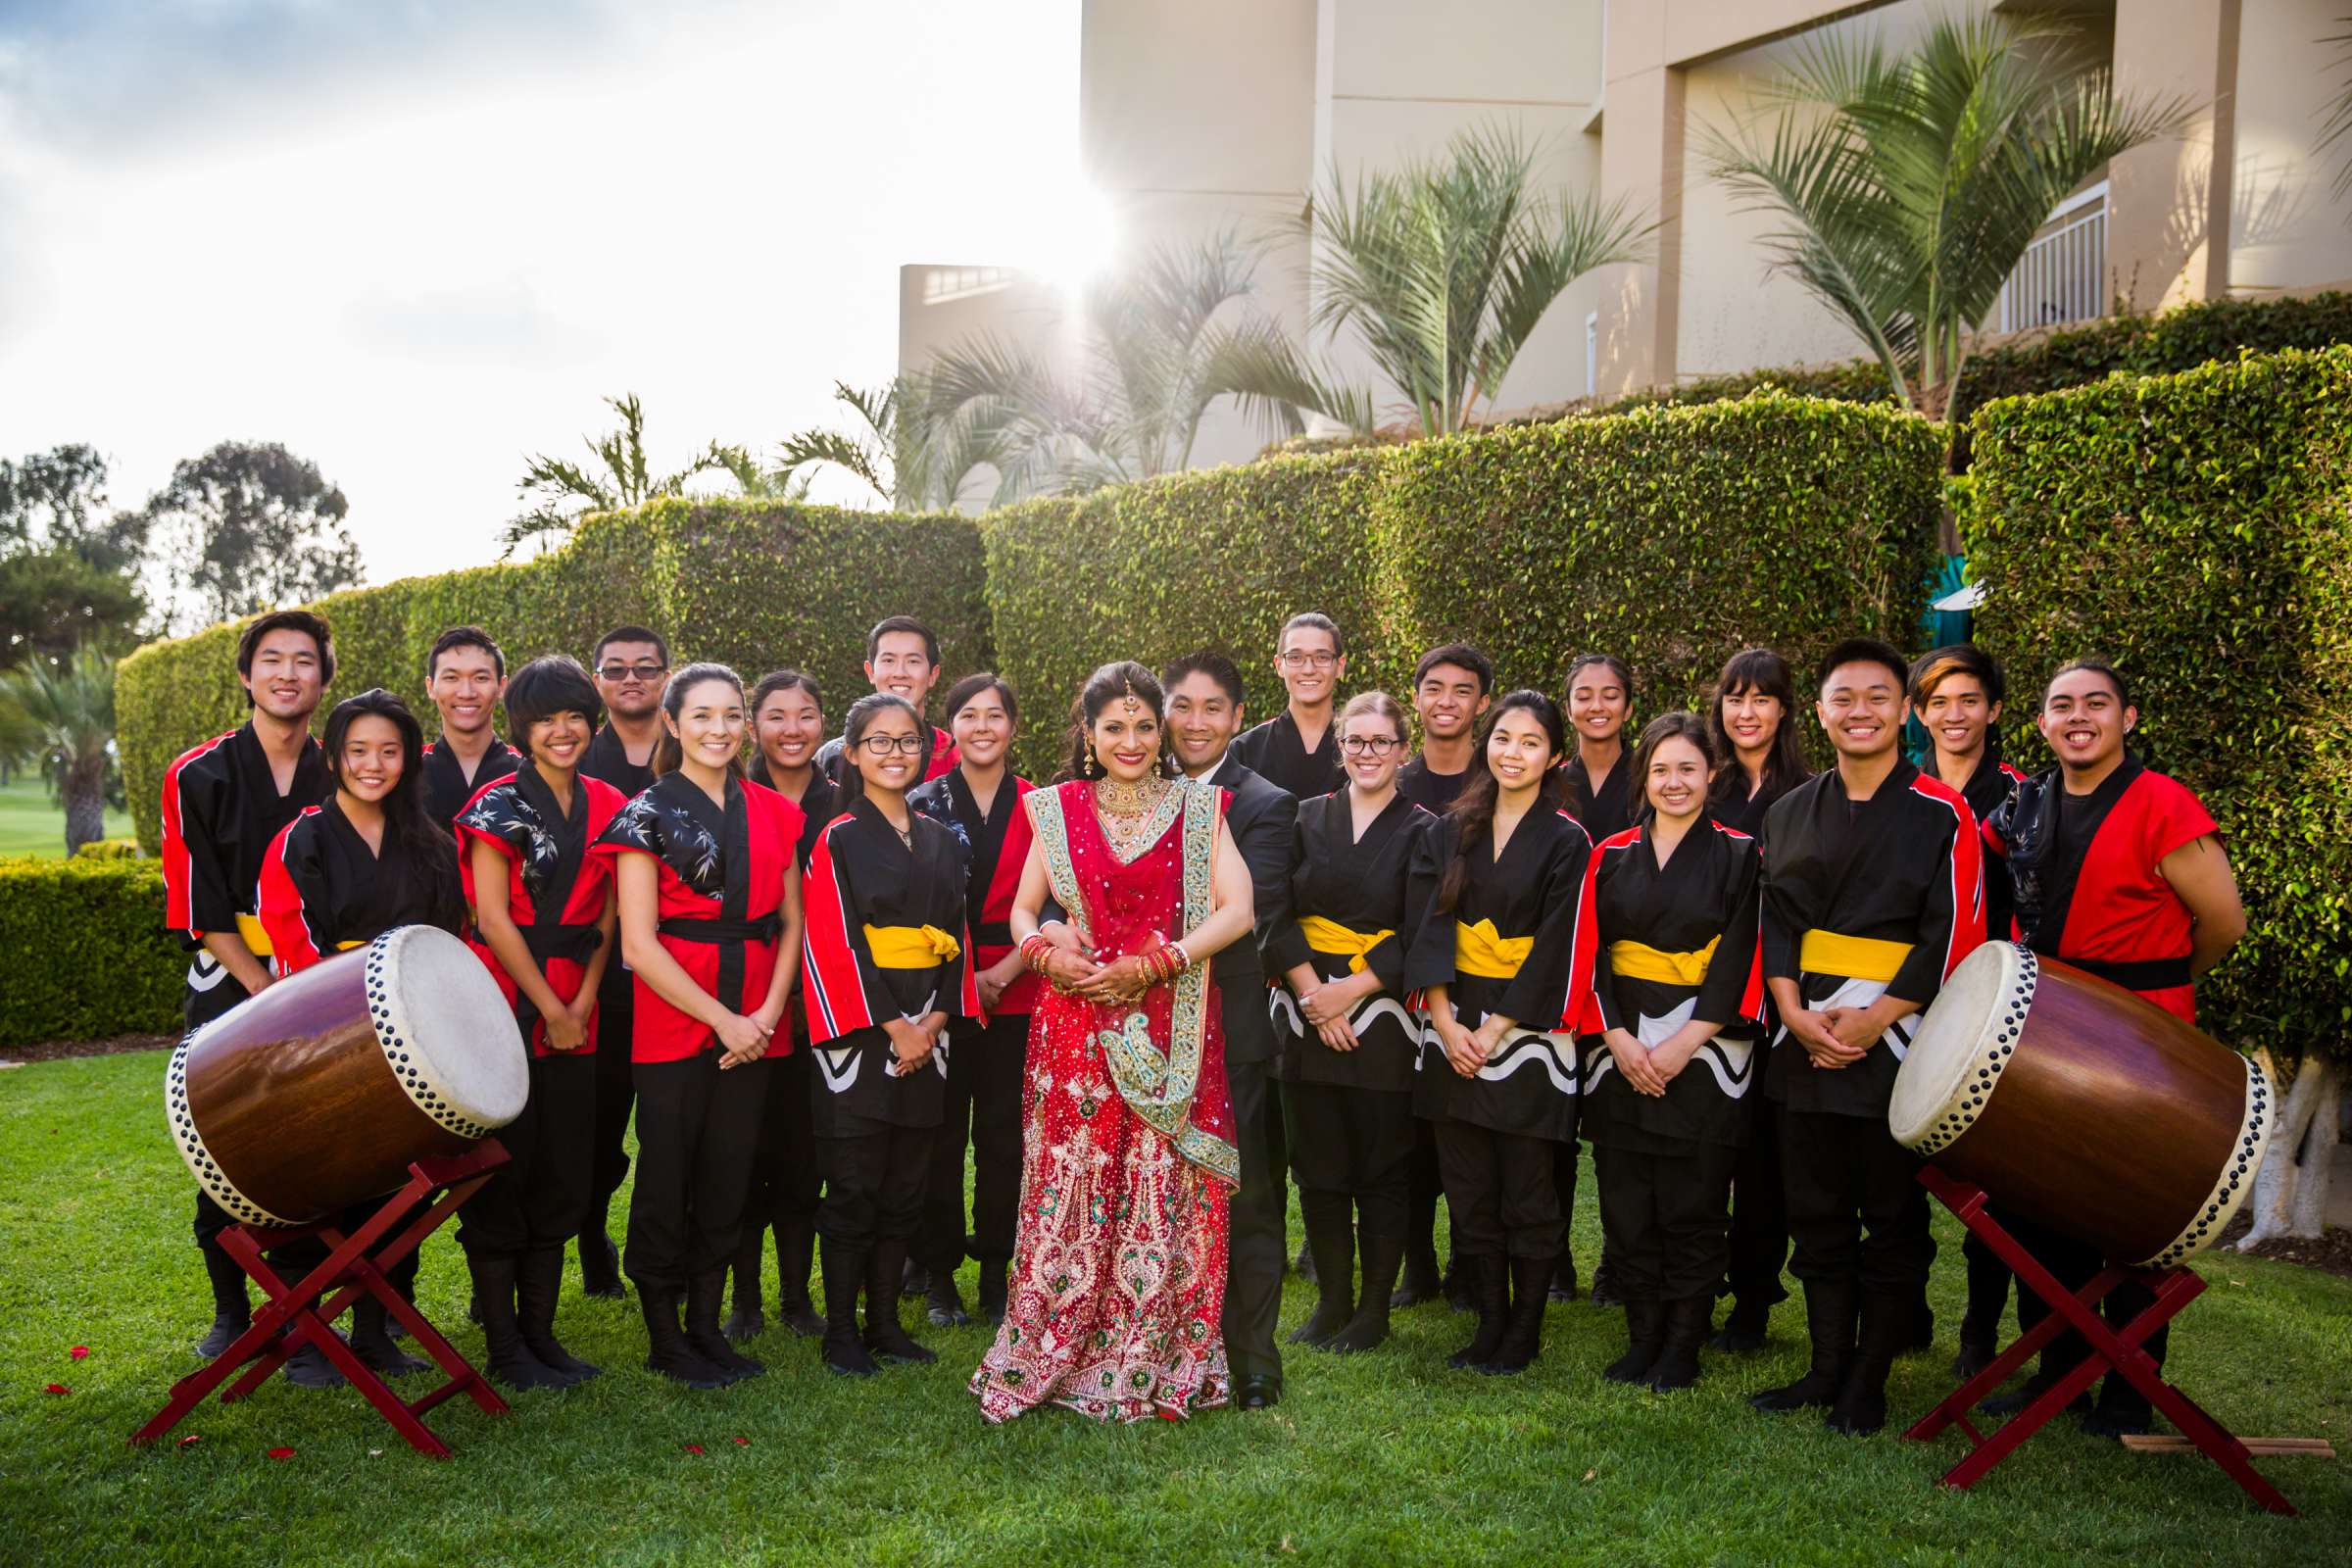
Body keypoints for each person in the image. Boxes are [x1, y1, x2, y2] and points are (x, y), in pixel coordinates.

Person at [968, 662, 1259, 1423]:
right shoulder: (1056, 808)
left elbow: (1239, 911)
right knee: (1075, 1181)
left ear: (1161, 732)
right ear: (1088, 736)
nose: (1130, 740)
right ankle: (1057, 1345)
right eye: (1113, 727)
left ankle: (1150, 1353)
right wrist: (1044, 955)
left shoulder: (1200, 808)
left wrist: (1158, 962)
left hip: (1170, 1022)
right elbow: (1024, 912)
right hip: (1074, 1026)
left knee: (1161, 1183)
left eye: (1142, 726)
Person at [1982, 660, 2246, 1438]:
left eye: (2097, 703)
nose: (2078, 716)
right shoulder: (2024, 806)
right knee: (2040, 1204)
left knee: (2134, 1208)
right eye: (2062, 705)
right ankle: (2057, 1373)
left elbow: (2222, 923)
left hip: (2142, 1030)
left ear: (2128, 718)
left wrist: (2155, 991)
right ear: (2040, 725)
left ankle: (2130, 1387)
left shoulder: (2164, 803)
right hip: (2044, 1023)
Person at [1751, 637, 1984, 1437]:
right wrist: (1792, 1012)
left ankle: (1869, 1379)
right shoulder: (1787, 812)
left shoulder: (1942, 813)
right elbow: (1773, 923)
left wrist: (1878, 1014)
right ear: (1819, 711)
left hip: (1897, 1041)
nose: (1860, 711)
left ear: (1904, 712)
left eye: (1878, 697)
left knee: (1890, 1218)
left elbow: (1953, 929)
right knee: (1813, 1211)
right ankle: (1824, 1368)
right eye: (1843, 698)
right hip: (1805, 1037)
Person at [590, 662, 804, 1390]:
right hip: (676, 1021)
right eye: (701, 716)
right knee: (667, 1173)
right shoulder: (643, 815)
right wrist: (724, 1020)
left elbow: (790, 924)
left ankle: (708, 1329)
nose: (718, 729)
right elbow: (637, 945)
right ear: (673, 725)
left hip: (757, 1014)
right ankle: (664, 1336)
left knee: (729, 1173)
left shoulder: (775, 812)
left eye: (730, 715)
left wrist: (766, 1017)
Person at [255, 687, 466, 1390]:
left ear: (409, 759)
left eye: (389, 751)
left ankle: (378, 1327)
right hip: (324, 1035)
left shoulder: (432, 845)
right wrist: (355, 1020)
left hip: (413, 1041)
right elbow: (292, 942)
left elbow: (445, 943)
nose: (373, 765)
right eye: (358, 751)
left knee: (397, 1185)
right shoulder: (303, 840)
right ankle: (302, 1332)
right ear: (334, 757)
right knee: (323, 1183)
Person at [1401, 691, 1597, 1376]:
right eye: (1504, 739)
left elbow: (1557, 944)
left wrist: (1501, 1027)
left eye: (1531, 743)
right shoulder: (1448, 829)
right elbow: (1427, 925)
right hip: (1451, 1025)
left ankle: (1524, 1332)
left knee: (1527, 1192)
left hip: (1528, 1034)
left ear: (1554, 756)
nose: (1514, 753)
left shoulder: (1569, 840)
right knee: (1468, 1188)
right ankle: (1488, 1325)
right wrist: (1448, 1021)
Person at [161, 609, 335, 1359]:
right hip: (236, 979)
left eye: (304, 661)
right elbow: (196, 902)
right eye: (272, 659)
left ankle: (327, 1310)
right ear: (246, 674)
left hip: (327, 976)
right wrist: (265, 985)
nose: (288, 673)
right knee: (229, 1143)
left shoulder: (345, 767)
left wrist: (308, 982)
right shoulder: (197, 773)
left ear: (325, 680)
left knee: (333, 1140)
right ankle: (235, 1311)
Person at [453, 656, 625, 1391]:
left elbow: (614, 909)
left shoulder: (612, 800)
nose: (562, 731)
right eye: (545, 719)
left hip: (579, 1002)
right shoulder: (496, 803)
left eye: (574, 717)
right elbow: (491, 917)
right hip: (502, 1001)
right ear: (522, 729)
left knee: (563, 1168)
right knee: (504, 1170)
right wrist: (550, 1007)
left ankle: (542, 1339)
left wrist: (581, 1002)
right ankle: (504, 1347)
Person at [1583, 711, 1764, 1394]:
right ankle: (1642, 1339)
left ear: (1712, 774)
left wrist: (1686, 1041)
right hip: (1621, 1050)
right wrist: (1621, 1039)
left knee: (1692, 1209)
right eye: (1661, 769)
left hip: (1706, 1051)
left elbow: (1742, 955)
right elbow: (1590, 955)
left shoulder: (1745, 854)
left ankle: (1683, 1346)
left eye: (1688, 768)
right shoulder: (1611, 854)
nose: (1674, 781)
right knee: (1627, 1208)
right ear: (1644, 776)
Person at [801, 693, 978, 1377]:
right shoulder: (839, 836)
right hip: (863, 1032)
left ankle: (885, 1325)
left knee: (907, 1184)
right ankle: (841, 1332)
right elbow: (834, 941)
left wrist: (933, 1021)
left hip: (927, 1028)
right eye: (879, 742)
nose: (896, 753)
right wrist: (894, 1027)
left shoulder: (940, 837)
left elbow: (954, 934)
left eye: (908, 741)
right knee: (853, 1186)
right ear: (852, 754)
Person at [1269, 690, 1436, 1354]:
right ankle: (1332, 1301)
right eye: (1356, 742)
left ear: (1402, 750)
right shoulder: (1303, 819)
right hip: (1305, 1014)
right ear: (1341, 749)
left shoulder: (1426, 829)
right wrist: (1314, 992)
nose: (1368, 753)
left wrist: (1352, 994)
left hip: (1383, 1020)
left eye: (1382, 742)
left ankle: (1373, 1311)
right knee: (1318, 1167)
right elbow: (1271, 910)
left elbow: (1422, 923)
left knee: (1383, 1171)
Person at [1152, 651, 1298, 1408]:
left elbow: (1256, 912)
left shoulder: (1266, 802)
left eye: (1214, 707)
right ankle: (1158, 1342)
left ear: (1239, 717)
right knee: (1150, 1189)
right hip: (1136, 1026)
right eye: (1183, 705)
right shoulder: (1127, 789)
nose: (1197, 721)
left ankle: (1254, 1359)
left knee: (1245, 1194)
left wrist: (1148, 946)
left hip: (1228, 1022)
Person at [1909, 643, 2028, 1379]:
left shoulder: (2023, 795)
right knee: (1900, 1174)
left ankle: (1981, 1331)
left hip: (1992, 1006)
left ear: (1993, 710)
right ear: (1919, 713)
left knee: (1993, 1181)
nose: (1954, 715)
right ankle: (1902, 1311)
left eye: (1968, 700)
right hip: (1907, 997)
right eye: (1938, 702)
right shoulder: (1902, 790)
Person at [906, 673, 1038, 1329]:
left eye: (995, 715)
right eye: (968, 715)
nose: (982, 726)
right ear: (949, 727)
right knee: (938, 1134)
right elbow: (908, 904)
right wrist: (966, 977)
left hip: (1021, 985)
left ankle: (995, 1271)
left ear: (1013, 727)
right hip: (940, 988)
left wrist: (1008, 968)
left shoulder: (1045, 805)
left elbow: (1060, 900)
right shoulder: (920, 803)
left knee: (1004, 1138)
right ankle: (936, 1278)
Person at [1701, 647, 1813, 1353]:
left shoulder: (1809, 791)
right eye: (1735, 698)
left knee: (1765, 1163)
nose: (1747, 712)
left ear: (1784, 710)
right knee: (1706, 1152)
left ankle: (1751, 1302)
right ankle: (1689, 1283)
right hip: (1698, 990)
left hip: (1777, 990)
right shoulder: (1695, 782)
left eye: (1762, 699)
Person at [724, 669, 836, 1343]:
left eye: (806, 715)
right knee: (743, 1152)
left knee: (804, 1155)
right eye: (775, 716)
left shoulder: (847, 801)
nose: (791, 730)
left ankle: (798, 1298)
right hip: (746, 1001)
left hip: (826, 1004)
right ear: (751, 726)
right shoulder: (728, 798)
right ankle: (743, 1302)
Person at [1394, 641, 1494, 1309]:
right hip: (1402, 981)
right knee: (1405, 1131)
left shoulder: (1504, 776)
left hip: (1477, 981)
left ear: (1482, 703)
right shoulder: (1394, 782)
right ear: (1418, 697)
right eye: (1435, 687)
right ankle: (1417, 1264)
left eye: (1463, 690)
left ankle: (1469, 1263)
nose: (1448, 701)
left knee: (1466, 1128)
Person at [575, 623, 670, 1300]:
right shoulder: (578, 761)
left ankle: (665, 1256)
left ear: (667, 676)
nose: (631, 678)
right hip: (601, 978)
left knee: (671, 1132)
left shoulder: (694, 750)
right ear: (597, 680)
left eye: (645, 667)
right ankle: (588, 1239)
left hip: (684, 976)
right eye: (616, 669)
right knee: (598, 1130)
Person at [1554, 653, 1633, 1304]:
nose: (1597, 706)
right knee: (1552, 1119)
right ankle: (1552, 1261)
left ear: (1629, 708)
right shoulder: (1554, 778)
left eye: (1610, 696)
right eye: (1584, 695)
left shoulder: (1652, 772)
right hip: (1560, 962)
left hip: (1629, 967)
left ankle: (1618, 1262)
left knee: (1614, 1127)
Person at [813, 615, 959, 784]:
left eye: (913, 661)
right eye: (889, 660)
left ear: (933, 675)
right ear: (870, 672)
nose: (900, 672)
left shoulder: (954, 755)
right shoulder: (832, 758)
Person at [1234, 612, 1348, 800]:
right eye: (1295, 657)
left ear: (1340, 665)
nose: (1309, 669)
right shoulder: (1246, 750)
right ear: (1279, 665)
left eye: (1322, 657)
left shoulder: (1361, 747)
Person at [419, 625, 520, 823]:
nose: (466, 692)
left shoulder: (525, 772)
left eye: (480, 678)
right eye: (451, 678)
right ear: (431, 687)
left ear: (501, 686)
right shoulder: (407, 773)